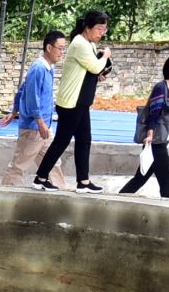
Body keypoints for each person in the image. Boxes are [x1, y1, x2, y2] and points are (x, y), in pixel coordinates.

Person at [34, 10, 112, 189]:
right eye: (99, 28)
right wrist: (105, 56)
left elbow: (87, 71)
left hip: (81, 102)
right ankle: (40, 178)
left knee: (84, 140)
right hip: (71, 103)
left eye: (104, 30)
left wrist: (98, 73)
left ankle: (83, 182)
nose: (101, 33)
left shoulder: (88, 44)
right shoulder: (80, 43)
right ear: (88, 27)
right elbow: (93, 66)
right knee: (62, 141)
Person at [1, 31, 67, 188]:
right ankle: (5, 194)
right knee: (19, 164)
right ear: (49, 48)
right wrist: (40, 122)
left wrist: (14, 111)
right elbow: (31, 96)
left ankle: (61, 192)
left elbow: (22, 90)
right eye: (60, 48)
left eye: (64, 49)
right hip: (34, 127)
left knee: (53, 162)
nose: (62, 52)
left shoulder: (49, 68)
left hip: (43, 127)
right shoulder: (38, 69)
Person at [118, 53, 169, 198]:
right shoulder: (161, 88)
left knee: (140, 178)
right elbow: (153, 113)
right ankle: (166, 213)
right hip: (156, 141)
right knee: (168, 182)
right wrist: (150, 135)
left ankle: (116, 200)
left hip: (161, 140)